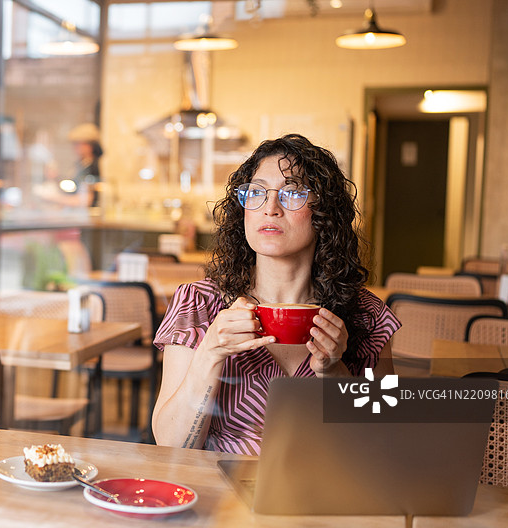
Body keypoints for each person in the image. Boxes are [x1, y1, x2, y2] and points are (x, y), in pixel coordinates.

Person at [151, 133, 401, 456]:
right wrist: (210, 354)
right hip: (219, 497)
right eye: (256, 192)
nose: (270, 208)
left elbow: (385, 447)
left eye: (292, 193)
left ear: (324, 212)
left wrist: (334, 372)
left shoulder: (368, 317)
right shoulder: (198, 304)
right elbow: (170, 446)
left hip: (320, 498)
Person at [35, 123, 103, 209]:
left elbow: (85, 200)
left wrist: (53, 198)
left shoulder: (92, 167)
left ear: (89, 146)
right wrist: (56, 178)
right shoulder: (81, 164)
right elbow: (73, 186)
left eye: (77, 144)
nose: (74, 147)